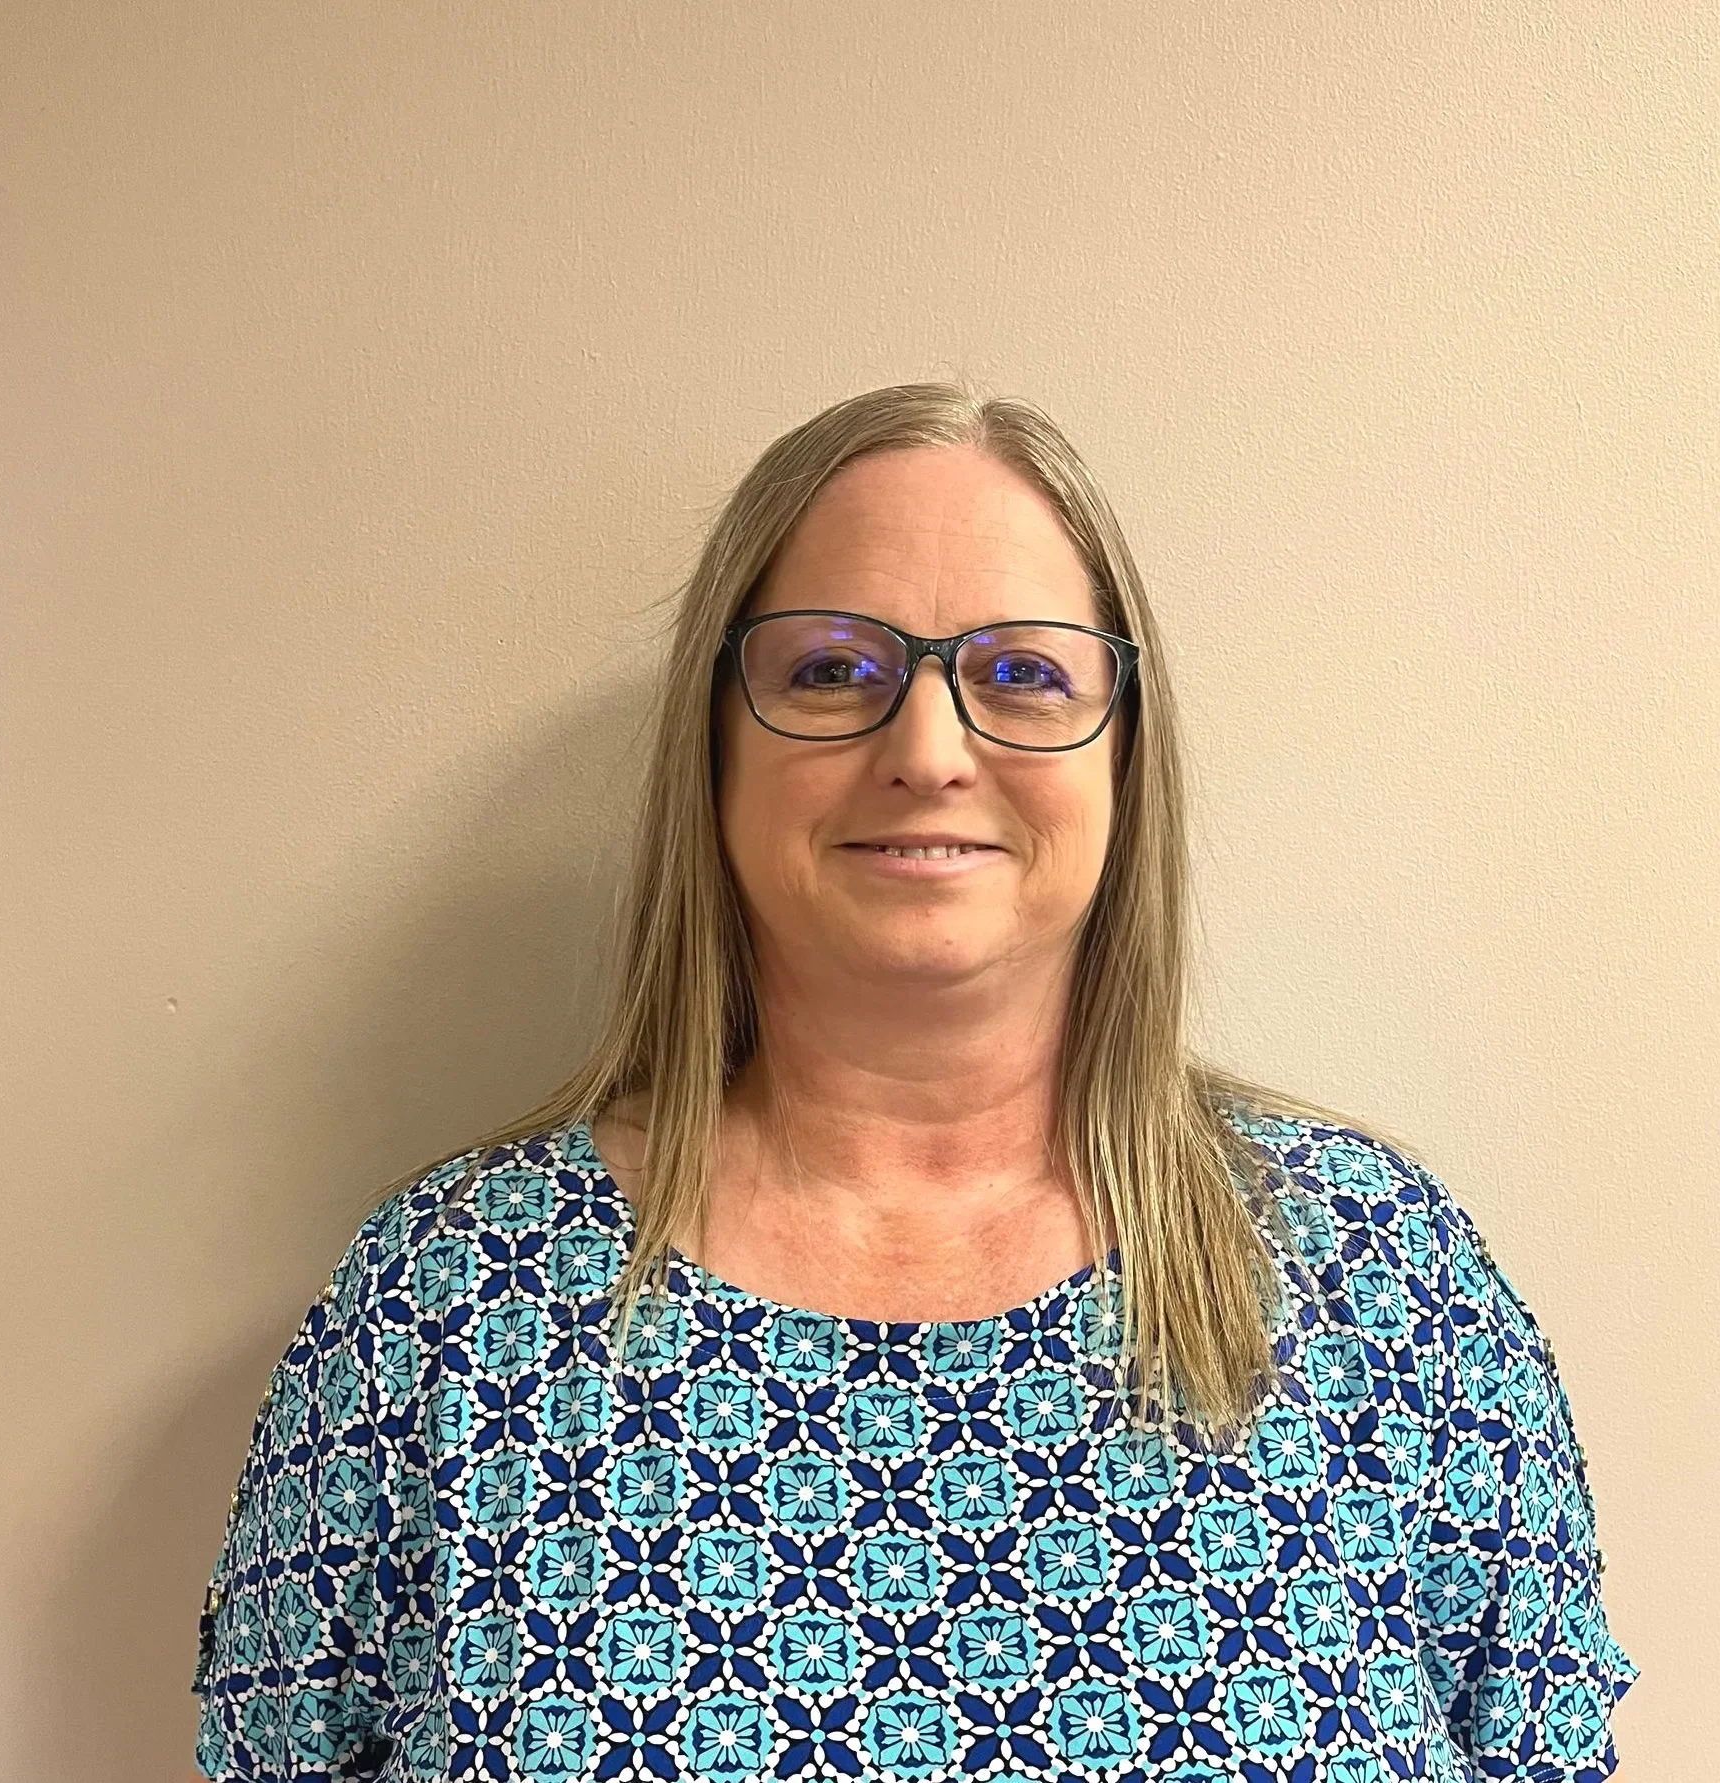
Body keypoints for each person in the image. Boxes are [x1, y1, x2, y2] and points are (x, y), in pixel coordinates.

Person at [191, 380, 1638, 1782]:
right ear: (716, 744)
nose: (929, 749)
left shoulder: (1381, 1280)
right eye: (832, 668)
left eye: (1024, 672)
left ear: (1127, 759)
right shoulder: (446, 1306)